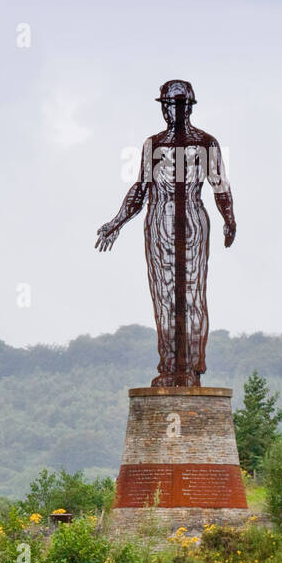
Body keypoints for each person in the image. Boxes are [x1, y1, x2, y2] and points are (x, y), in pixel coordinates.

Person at [95, 80, 236, 386]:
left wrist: (229, 217)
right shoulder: (154, 145)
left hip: (193, 221)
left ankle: (192, 367)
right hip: (160, 220)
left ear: (188, 108)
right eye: (168, 106)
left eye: (176, 106)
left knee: (193, 290)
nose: (171, 112)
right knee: (164, 292)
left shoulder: (206, 143)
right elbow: (141, 188)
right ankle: (170, 366)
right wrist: (117, 221)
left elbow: (220, 185)